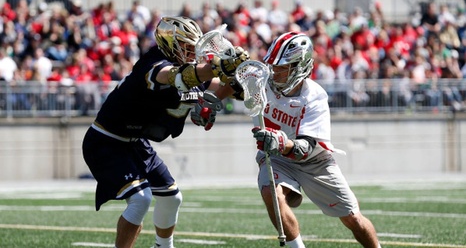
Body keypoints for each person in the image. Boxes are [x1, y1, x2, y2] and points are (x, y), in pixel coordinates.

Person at [82, 16, 248, 248]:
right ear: (170, 43)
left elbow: (216, 89)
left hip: (135, 142)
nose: (192, 52)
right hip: (106, 141)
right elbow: (176, 77)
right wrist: (217, 67)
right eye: (187, 47)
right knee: (140, 199)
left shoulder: (190, 68)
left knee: (172, 198)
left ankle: (163, 246)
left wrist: (240, 78)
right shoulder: (153, 64)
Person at [251, 32, 381, 248]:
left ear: (299, 67)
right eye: (273, 66)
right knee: (271, 192)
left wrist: (281, 142)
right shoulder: (261, 81)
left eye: (282, 68)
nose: (274, 73)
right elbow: (232, 84)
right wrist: (211, 101)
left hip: (314, 161)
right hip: (277, 158)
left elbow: (305, 147)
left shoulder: (315, 97)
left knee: (353, 218)